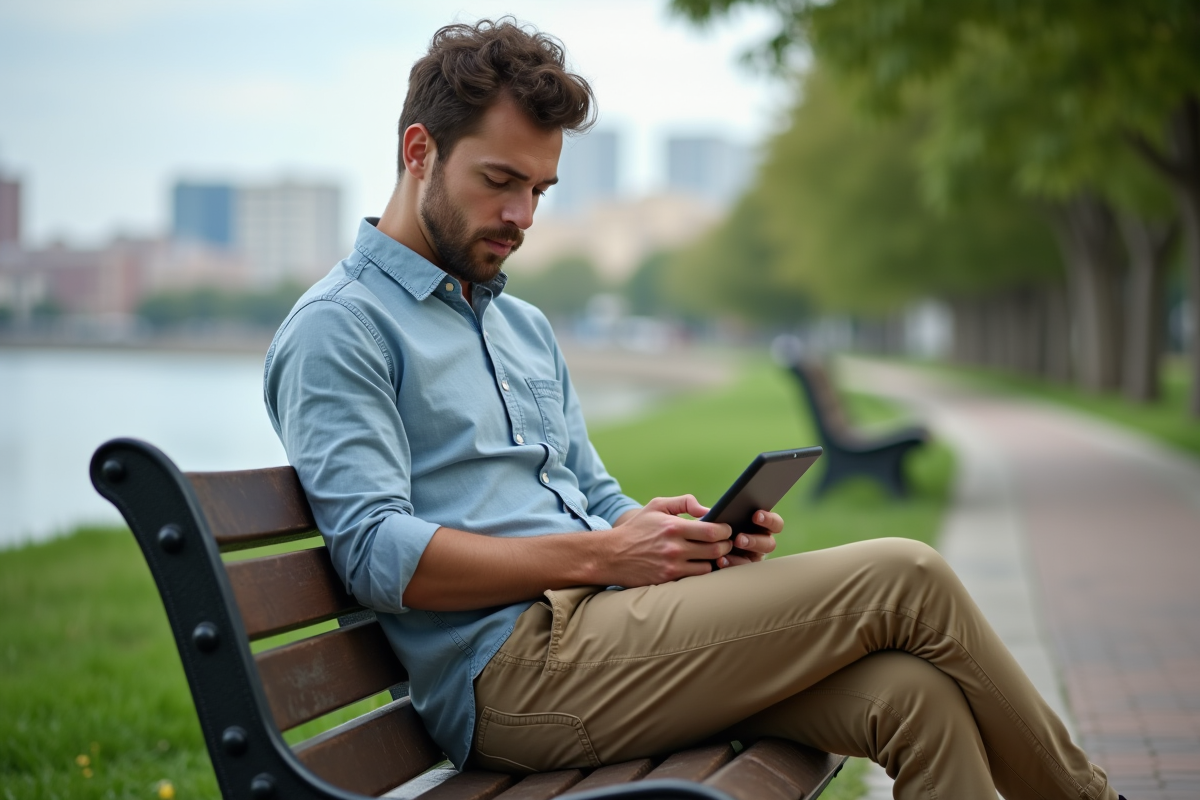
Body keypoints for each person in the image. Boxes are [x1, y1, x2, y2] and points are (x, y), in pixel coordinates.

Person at [264, 19, 1123, 800]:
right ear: (419, 151)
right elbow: (376, 554)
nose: (522, 216)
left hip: (605, 634)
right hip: (513, 680)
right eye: (500, 182)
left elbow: (591, 492)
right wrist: (604, 555)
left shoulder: (519, 323)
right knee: (907, 576)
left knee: (917, 698)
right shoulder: (341, 329)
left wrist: (675, 540)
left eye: (541, 189)